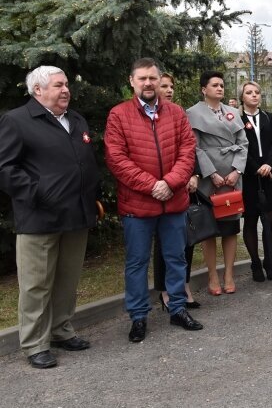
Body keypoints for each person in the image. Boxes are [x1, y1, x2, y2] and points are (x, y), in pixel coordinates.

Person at [0, 66, 99, 368]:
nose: (66, 90)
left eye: (67, 84)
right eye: (58, 85)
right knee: (36, 284)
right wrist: (40, 194)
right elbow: (6, 169)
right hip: (39, 218)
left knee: (67, 280)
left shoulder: (76, 119)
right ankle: (34, 343)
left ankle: (61, 330)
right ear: (38, 90)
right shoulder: (17, 121)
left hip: (76, 214)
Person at [104, 58, 203, 343]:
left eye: (152, 78)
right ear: (132, 82)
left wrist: (170, 183)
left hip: (173, 203)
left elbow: (187, 150)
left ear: (160, 81)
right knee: (137, 263)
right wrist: (152, 186)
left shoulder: (175, 112)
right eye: (142, 78)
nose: (148, 83)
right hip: (138, 205)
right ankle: (138, 317)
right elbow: (117, 159)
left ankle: (178, 309)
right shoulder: (119, 115)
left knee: (175, 259)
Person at [187, 71, 249, 296]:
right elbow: (194, 147)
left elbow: (243, 143)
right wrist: (211, 173)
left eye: (222, 85)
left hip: (232, 179)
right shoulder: (193, 113)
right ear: (204, 89)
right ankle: (213, 275)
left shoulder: (233, 112)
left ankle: (229, 274)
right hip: (209, 179)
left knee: (231, 228)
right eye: (215, 85)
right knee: (210, 229)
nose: (220, 88)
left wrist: (237, 170)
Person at [152, 72, 200, 310]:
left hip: (183, 187)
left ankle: (184, 285)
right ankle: (164, 290)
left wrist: (194, 174)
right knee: (163, 244)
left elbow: (190, 148)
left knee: (186, 242)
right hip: (159, 190)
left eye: (171, 86)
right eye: (164, 86)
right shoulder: (148, 116)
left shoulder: (178, 113)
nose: (169, 90)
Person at [240, 81, 272, 282]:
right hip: (249, 175)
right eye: (249, 92)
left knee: (270, 219)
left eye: (257, 92)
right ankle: (255, 263)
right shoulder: (236, 119)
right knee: (250, 220)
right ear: (242, 96)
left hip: (270, 175)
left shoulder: (268, 116)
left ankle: (269, 260)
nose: (254, 95)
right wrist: (254, 167)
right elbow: (239, 146)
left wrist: (268, 164)